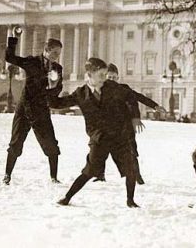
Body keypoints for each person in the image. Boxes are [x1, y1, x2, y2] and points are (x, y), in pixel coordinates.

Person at [51, 58, 143, 208]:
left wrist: (135, 117)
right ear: (90, 74)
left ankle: (130, 201)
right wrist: (54, 86)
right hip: (99, 138)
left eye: (105, 74)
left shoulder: (112, 87)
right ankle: (67, 198)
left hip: (119, 136)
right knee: (90, 171)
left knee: (130, 168)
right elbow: (56, 104)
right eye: (101, 75)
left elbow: (131, 96)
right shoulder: (81, 94)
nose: (104, 78)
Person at [3, 30, 63, 185]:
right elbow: (9, 57)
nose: (57, 56)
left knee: (51, 144)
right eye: (55, 53)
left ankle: (54, 177)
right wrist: (13, 39)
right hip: (24, 109)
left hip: (41, 110)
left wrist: (53, 87)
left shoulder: (57, 68)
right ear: (47, 50)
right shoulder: (32, 61)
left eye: (59, 54)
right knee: (16, 143)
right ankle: (7, 175)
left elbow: (58, 89)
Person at [103, 63, 166, 184]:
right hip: (108, 125)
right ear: (105, 77)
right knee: (101, 150)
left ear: (118, 78)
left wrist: (155, 106)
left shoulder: (123, 88)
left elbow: (139, 97)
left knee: (131, 151)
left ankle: (138, 176)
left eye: (114, 77)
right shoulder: (100, 90)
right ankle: (100, 175)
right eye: (109, 77)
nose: (111, 80)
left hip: (125, 125)